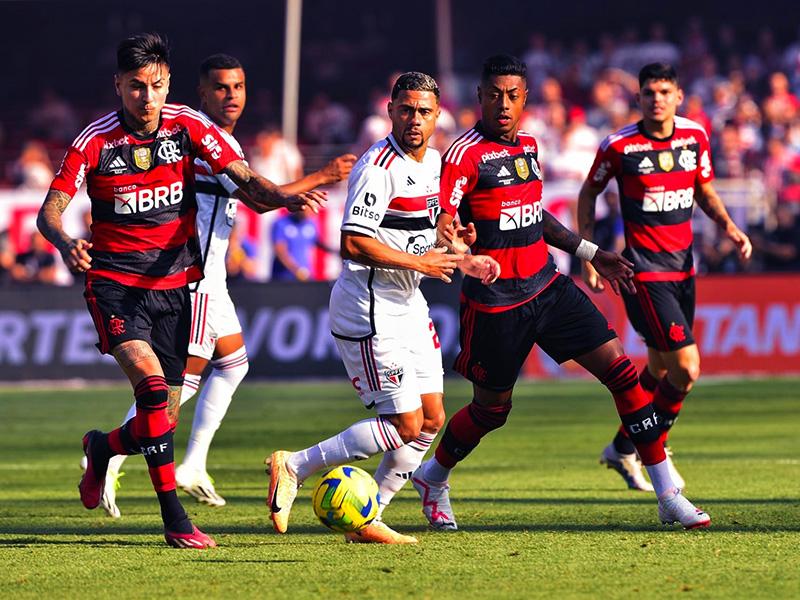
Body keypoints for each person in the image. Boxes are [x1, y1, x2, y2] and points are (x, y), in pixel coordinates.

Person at [37, 33, 325, 549]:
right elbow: (50, 210)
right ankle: (175, 521)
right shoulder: (94, 141)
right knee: (151, 391)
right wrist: (63, 242)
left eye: (155, 85)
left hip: (177, 288)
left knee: (161, 417)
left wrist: (284, 197)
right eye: (135, 87)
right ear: (118, 86)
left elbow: (244, 180)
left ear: (167, 81)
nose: (147, 97)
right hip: (115, 287)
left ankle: (102, 447)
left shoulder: (189, 125)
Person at [410, 55, 710, 532]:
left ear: (525, 98)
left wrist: (591, 251)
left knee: (623, 375)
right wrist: (460, 251)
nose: (503, 105)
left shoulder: (529, 145)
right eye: (494, 95)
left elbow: (535, 216)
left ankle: (668, 495)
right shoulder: (462, 155)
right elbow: (442, 221)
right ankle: (433, 476)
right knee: (492, 410)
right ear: (480, 98)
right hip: (497, 303)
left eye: (513, 95)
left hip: (550, 286)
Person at [93, 53, 356, 518]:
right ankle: (110, 454)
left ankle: (191, 464)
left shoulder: (221, 142)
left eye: (237, 87)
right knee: (176, 386)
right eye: (220, 87)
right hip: (193, 280)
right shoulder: (192, 139)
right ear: (201, 93)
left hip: (215, 277)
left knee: (233, 365)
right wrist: (323, 176)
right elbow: (257, 200)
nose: (230, 95)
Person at [266, 72, 499, 544]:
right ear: (390, 111)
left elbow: (428, 228)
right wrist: (422, 261)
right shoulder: (378, 166)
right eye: (406, 109)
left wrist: (463, 255)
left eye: (424, 111)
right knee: (404, 423)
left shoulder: (435, 162)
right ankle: (293, 465)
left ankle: (369, 517)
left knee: (431, 418)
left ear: (438, 116)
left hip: (410, 302)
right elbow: (353, 242)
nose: (415, 119)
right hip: (368, 307)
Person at [577, 62, 752, 492]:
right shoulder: (620, 145)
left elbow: (703, 189)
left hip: (683, 268)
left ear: (677, 96)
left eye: (664, 91)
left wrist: (728, 226)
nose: (657, 99)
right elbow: (587, 193)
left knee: (658, 367)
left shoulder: (695, 136)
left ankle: (621, 447)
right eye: (649, 92)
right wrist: (588, 257)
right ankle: (655, 450)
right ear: (638, 98)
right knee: (687, 368)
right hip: (643, 272)